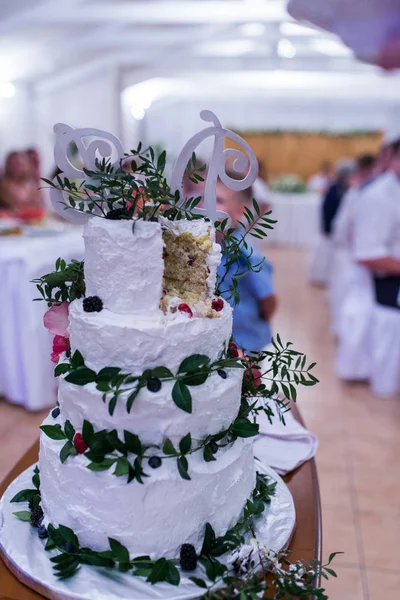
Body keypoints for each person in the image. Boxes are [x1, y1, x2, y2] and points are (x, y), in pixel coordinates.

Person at [216, 172, 277, 353]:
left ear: (240, 211)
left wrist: (258, 320)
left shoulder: (247, 256)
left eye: (218, 201)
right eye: (204, 198)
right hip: (217, 342)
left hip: (245, 343)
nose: (207, 206)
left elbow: (268, 299)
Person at [0, 151, 45, 221]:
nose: (16, 168)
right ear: (7, 165)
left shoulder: (33, 185)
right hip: (8, 223)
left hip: (32, 223)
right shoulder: (3, 185)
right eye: (12, 164)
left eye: (19, 164)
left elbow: (41, 207)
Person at [321, 159, 354, 236]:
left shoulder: (352, 189)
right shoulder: (334, 189)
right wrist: (327, 230)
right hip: (334, 229)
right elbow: (327, 210)